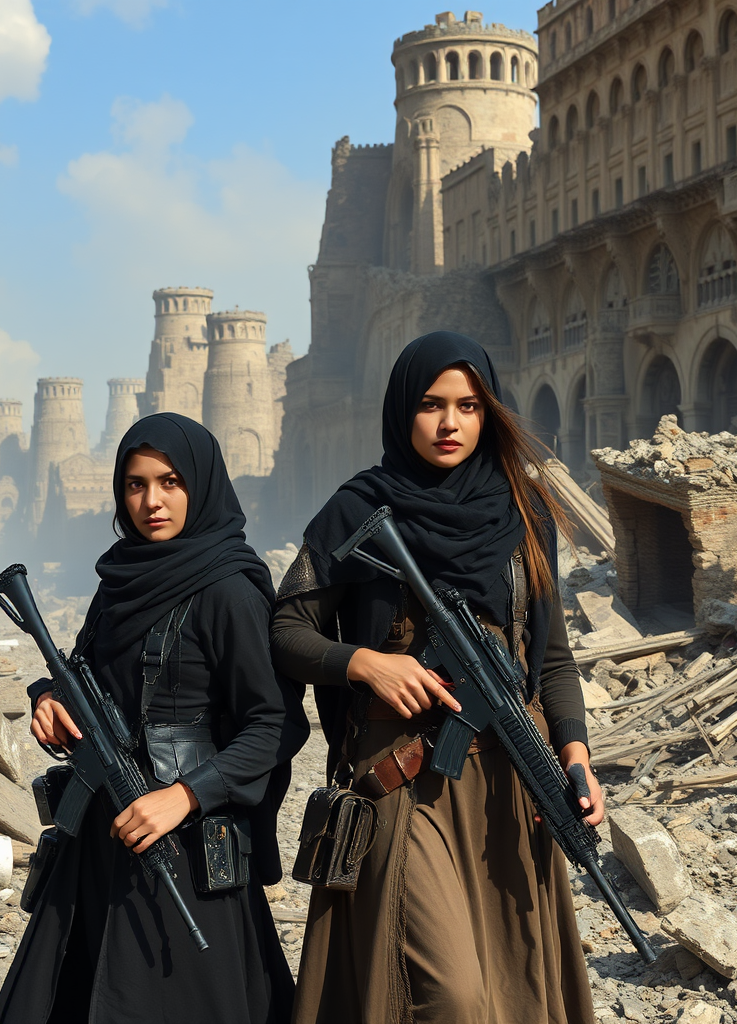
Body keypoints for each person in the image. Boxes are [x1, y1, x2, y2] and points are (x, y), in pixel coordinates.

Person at [271, 331, 602, 1024]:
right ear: (401, 410)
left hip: (512, 781)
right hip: (403, 777)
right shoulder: (356, 510)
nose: (450, 424)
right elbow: (286, 632)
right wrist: (363, 662)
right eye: (431, 404)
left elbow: (552, 660)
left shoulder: (525, 513)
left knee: (515, 986)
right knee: (451, 995)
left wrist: (574, 756)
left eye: (469, 406)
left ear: (490, 413)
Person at [0, 412, 309, 1024]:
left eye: (169, 482)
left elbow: (274, 725)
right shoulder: (118, 583)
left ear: (200, 485)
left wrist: (185, 797)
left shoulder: (230, 591)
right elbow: (83, 671)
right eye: (136, 485)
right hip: (99, 838)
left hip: (183, 851)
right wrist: (48, 699)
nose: (151, 501)